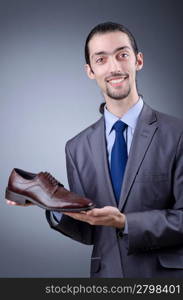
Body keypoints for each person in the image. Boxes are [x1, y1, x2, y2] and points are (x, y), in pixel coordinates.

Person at [8, 22, 183, 278]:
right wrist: (49, 204)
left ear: (138, 60)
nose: (114, 67)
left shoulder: (177, 134)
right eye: (101, 59)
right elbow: (90, 232)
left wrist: (125, 222)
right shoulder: (77, 148)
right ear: (90, 70)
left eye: (122, 55)